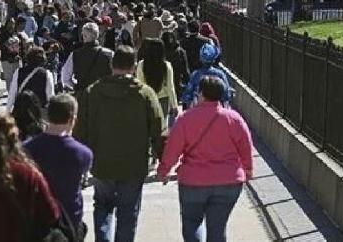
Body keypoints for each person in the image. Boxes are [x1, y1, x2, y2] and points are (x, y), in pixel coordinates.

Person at [77, 46, 164, 242]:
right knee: (128, 211)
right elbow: (158, 130)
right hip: (134, 164)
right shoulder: (145, 94)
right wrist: (163, 160)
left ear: (111, 65)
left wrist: (79, 162)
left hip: (102, 162)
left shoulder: (94, 92)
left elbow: (80, 129)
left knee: (103, 206)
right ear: (134, 67)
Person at [158, 77, 253, 242]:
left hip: (193, 181)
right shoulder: (234, 118)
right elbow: (246, 145)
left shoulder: (185, 119)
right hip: (228, 181)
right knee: (218, 227)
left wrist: (164, 171)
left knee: (192, 223)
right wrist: (248, 169)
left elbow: (172, 149)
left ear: (200, 94)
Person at [24, 94, 93, 239]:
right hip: (70, 219)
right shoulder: (83, 153)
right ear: (72, 119)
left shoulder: (28, 149)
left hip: (38, 220)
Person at [136, 38, 179, 128]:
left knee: (148, 126)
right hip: (163, 99)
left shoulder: (141, 65)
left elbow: (139, 85)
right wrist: (174, 105)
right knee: (162, 127)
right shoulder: (167, 66)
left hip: (147, 99)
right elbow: (170, 87)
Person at [182, 44, 231, 109]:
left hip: (199, 111)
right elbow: (226, 94)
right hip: (217, 109)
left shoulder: (196, 74)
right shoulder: (220, 74)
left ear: (201, 59)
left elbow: (188, 94)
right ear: (214, 59)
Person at [7, 46, 56, 112]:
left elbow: (12, 93)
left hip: (22, 110)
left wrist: (8, 110)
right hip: (39, 112)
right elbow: (50, 96)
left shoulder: (19, 72)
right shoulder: (47, 74)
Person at [162, 31, 190, 103]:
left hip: (163, 83)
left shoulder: (161, 51)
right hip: (177, 80)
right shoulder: (180, 51)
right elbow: (185, 69)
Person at [0, 17, 22, 94]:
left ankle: (16, 94)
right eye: (9, 23)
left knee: (17, 78)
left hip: (16, 59)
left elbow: (21, 46)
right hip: (6, 59)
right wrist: (6, 44)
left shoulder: (17, 34)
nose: (11, 25)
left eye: (13, 23)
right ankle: (10, 94)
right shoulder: (2, 34)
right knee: (9, 78)